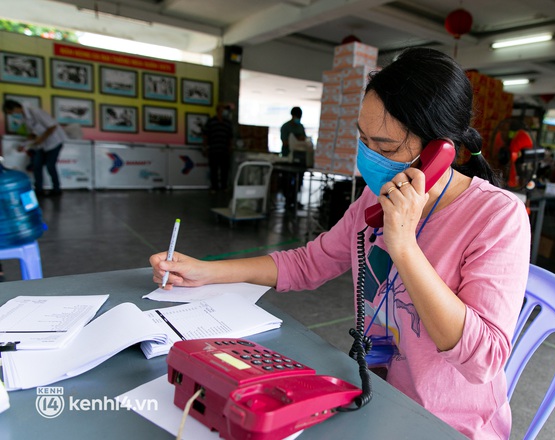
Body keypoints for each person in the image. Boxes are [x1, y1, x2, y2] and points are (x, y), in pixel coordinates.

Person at [150, 48, 531, 439]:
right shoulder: (375, 197)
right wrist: (206, 271)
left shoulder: (496, 217)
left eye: (385, 148)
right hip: (376, 395)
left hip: (446, 423)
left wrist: (404, 247)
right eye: (363, 140)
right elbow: (308, 263)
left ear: (440, 150)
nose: (369, 157)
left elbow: (483, 360)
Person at [2, 99, 68, 196]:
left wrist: (42, 138)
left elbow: (52, 126)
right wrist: (23, 145)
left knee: (50, 166)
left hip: (54, 142)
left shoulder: (35, 111)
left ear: (16, 108)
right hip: (41, 144)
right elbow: (33, 134)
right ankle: (39, 190)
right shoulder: (24, 118)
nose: (12, 115)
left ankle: (56, 189)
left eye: (11, 112)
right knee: (37, 166)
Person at [201, 103, 234, 192]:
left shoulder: (228, 123)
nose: (223, 112)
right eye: (222, 110)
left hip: (224, 150)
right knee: (214, 169)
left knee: (225, 170)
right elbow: (205, 135)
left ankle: (224, 187)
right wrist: (205, 148)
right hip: (214, 149)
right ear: (218, 111)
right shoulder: (211, 121)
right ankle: (214, 187)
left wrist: (230, 147)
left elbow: (230, 136)